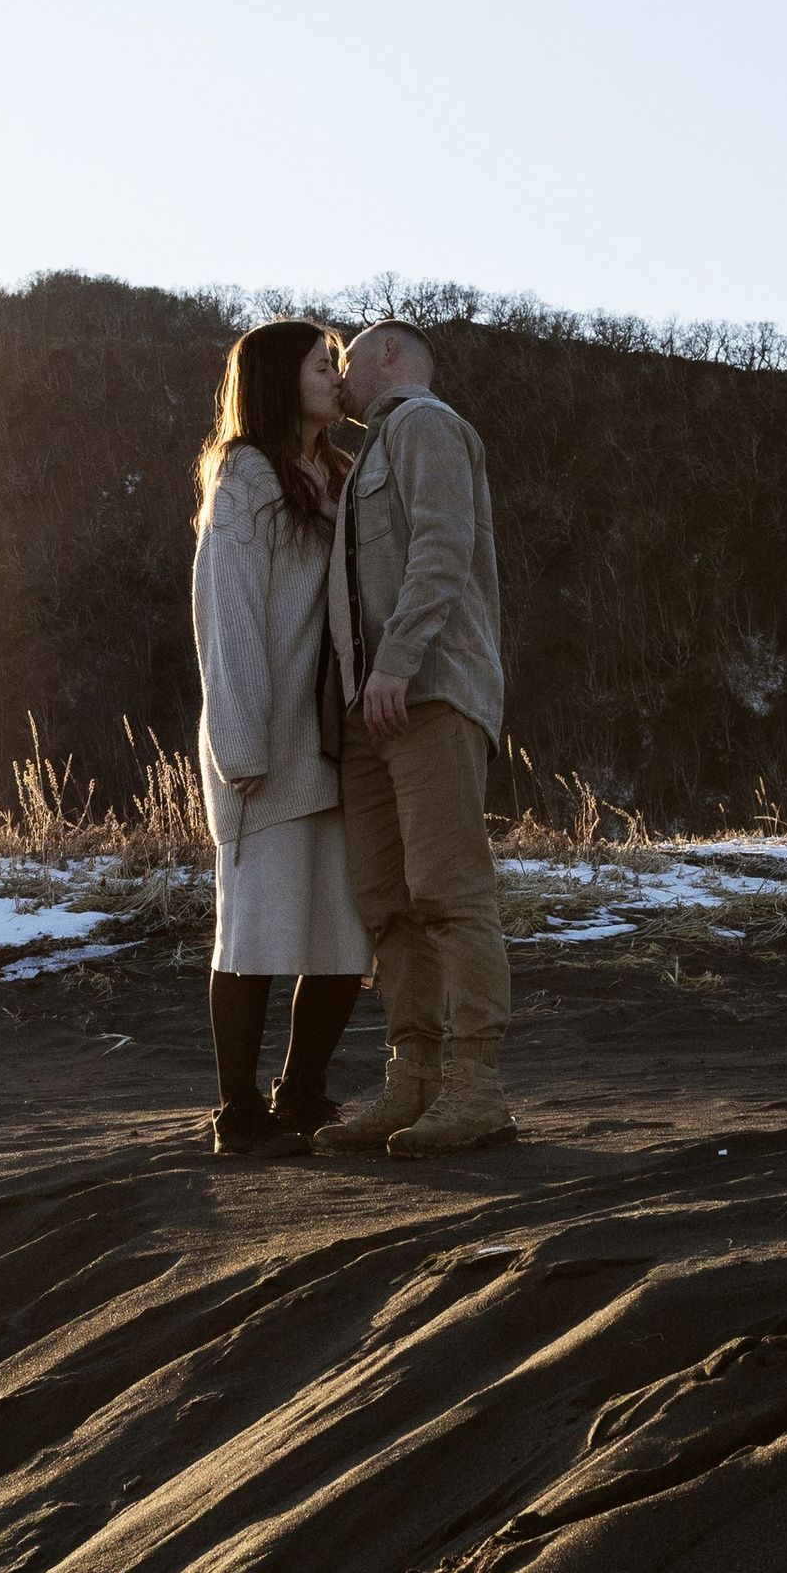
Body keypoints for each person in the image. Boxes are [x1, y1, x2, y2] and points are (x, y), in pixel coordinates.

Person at [320, 317, 516, 1154]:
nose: (338, 376)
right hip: (371, 707)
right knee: (388, 903)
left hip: (426, 691)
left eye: (346, 358)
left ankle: (478, 1087)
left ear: (390, 352)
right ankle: (415, 1080)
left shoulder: (427, 424)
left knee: (448, 889)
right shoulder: (369, 449)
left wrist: (396, 662)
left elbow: (443, 546)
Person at [190, 320, 370, 1157]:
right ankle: (237, 1116)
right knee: (254, 931)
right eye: (321, 364)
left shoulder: (337, 473)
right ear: (275, 379)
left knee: (343, 930)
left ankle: (302, 1094)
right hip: (262, 739)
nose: (337, 375)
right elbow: (227, 618)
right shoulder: (244, 475)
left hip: (332, 736)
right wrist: (240, 746)